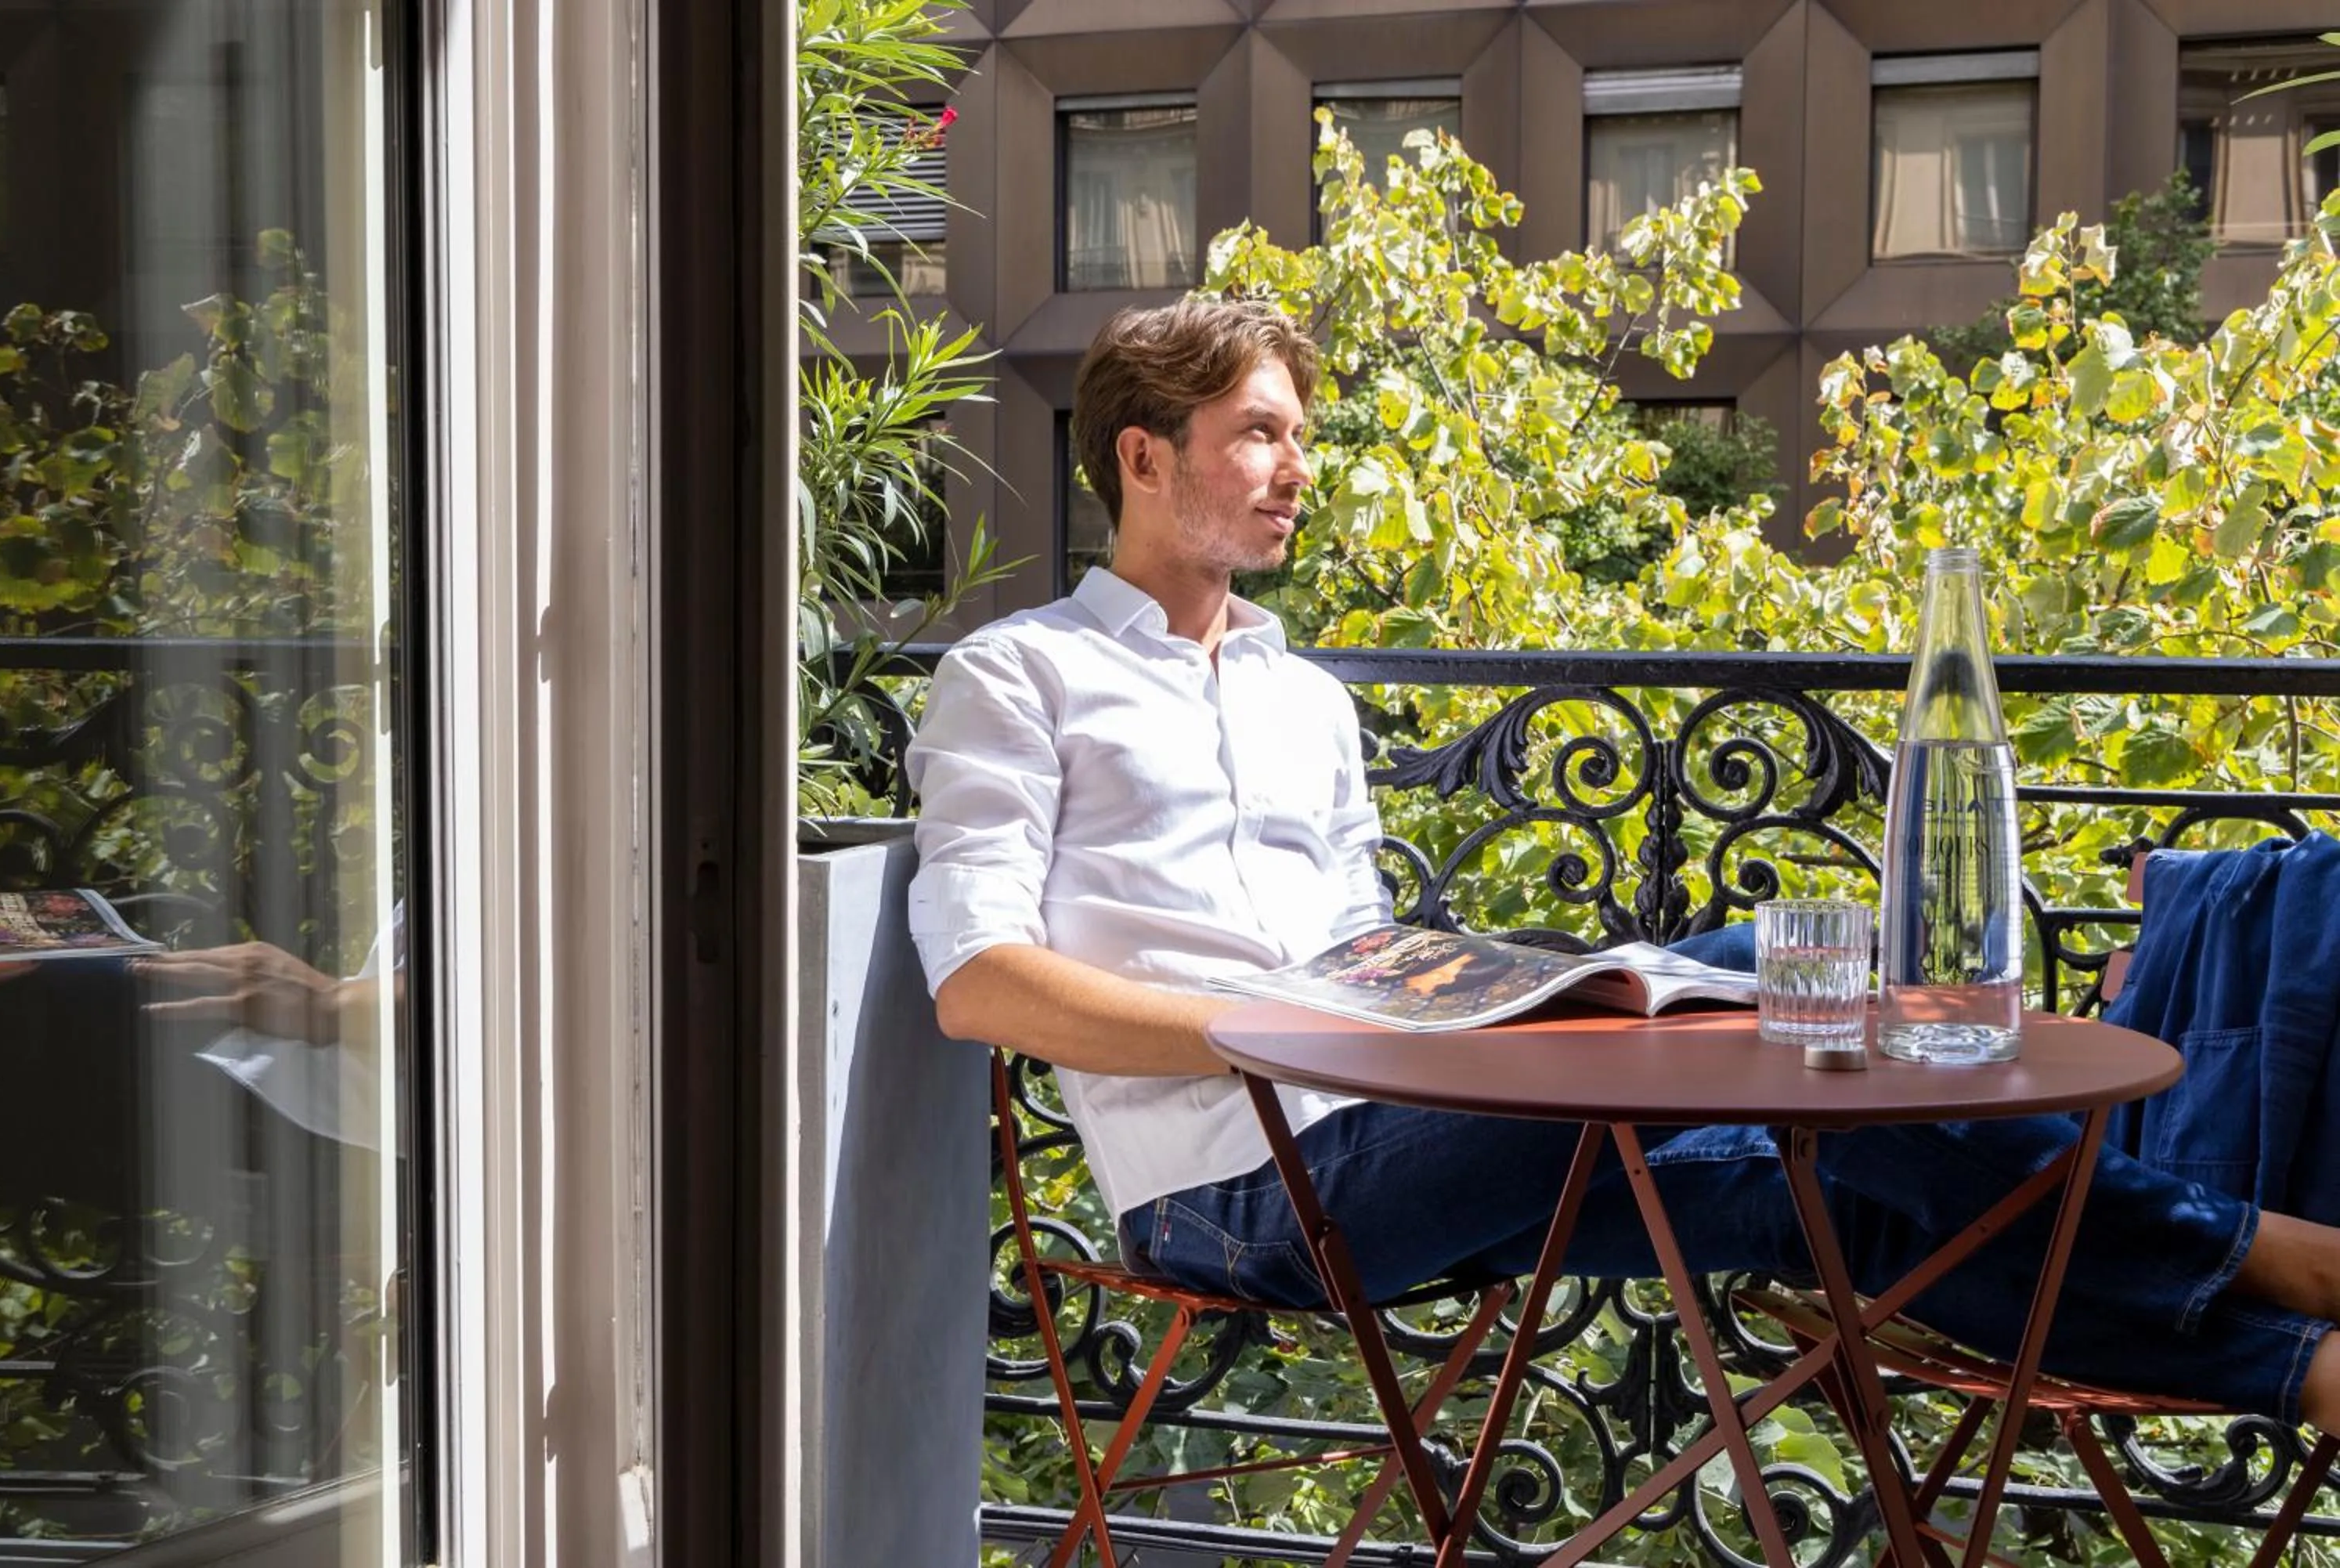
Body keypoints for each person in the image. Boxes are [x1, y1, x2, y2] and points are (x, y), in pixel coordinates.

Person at [906, 296, 2340, 1429]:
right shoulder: (1020, 675)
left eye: (1298, 436)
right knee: (1770, 980)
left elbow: (1352, 931)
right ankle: (2270, 1250)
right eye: (1261, 434)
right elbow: (979, 983)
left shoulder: (1305, 694)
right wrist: (1288, 1028)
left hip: (1394, 1106)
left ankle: (2301, 1374)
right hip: (1234, 1194)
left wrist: (1448, 989)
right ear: (1143, 457)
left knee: (1836, 1165)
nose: (1298, 470)